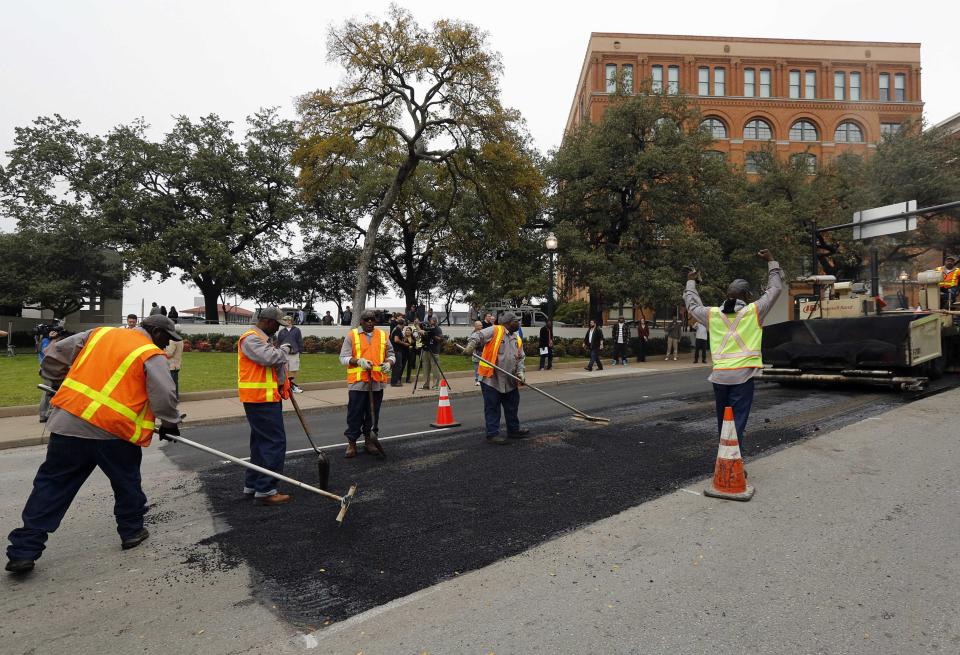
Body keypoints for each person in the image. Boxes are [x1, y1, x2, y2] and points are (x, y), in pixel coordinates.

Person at [6, 315, 181, 574]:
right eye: (166, 338)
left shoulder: (99, 334)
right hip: (114, 433)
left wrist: (57, 380)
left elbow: (54, 355)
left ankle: (24, 551)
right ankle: (131, 532)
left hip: (69, 425)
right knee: (126, 483)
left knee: (51, 486)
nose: (167, 345)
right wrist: (169, 422)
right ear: (155, 331)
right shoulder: (149, 353)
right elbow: (164, 393)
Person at [683, 249, 784, 456]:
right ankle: (731, 461)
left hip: (719, 377)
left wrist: (691, 282)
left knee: (724, 421)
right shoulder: (753, 311)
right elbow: (774, 289)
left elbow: (692, 305)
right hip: (742, 377)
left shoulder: (712, 315)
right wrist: (772, 262)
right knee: (737, 422)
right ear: (746, 296)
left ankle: (724, 457)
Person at [238, 307, 292, 505]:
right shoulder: (251, 338)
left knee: (261, 444)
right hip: (260, 399)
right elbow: (270, 358)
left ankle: (253, 485)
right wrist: (283, 350)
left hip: (266, 397)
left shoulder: (262, 339)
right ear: (269, 322)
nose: (277, 329)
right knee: (274, 443)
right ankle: (266, 490)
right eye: (277, 325)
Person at [339, 309, 395, 458]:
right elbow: (343, 358)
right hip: (358, 383)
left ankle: (369, 440)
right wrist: (358, 361)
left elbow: (391, 354)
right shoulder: (352, 335)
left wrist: (389, 363)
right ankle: (351, 443)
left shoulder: (383, 335)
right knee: (355, 414)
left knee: (373, 414)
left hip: (376, 382)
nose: (370, 322)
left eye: (372, 319)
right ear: (361, 322)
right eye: (367, 320)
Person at [465, 312, 528, 444]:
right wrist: (471, 345)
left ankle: (513, 430)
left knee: (512, 406)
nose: (519, 323)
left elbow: (521, 357)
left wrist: (521, 372)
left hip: (510, 379)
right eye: (517, 321)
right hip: (491, 378)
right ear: (508, 322)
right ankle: (492, 434)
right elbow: (478, 335)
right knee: (492, 407)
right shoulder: (495, 330)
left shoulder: (517, 338)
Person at [38, 328, 64, 423]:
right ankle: (45, 414)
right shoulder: (48, 341)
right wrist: (53, 339)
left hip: (49, 370)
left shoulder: (48, 341)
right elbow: (47, 352)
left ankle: (46, 414)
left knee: (49, 392)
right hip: (49, 371)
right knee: (48, 392)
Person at [277, 315, 305, 394]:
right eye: (284, 320)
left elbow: (299, 340)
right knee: (284, 371)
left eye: (287, 320)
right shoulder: (281, 332)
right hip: (284, 353)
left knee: (293, 369)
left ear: (290, 321)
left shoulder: (297, 330)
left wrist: (300, 351)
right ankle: (286, 387)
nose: (286, 321)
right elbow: (279, 342)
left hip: (294, 352)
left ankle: (293, 386)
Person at [420, 317, 444, 391]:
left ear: (435, 322)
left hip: (434, 351)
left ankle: (435, 385)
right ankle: (426, 385)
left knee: (435, 369)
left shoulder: (437, 329)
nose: (430, 323)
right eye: (430, 321)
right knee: (425, 368)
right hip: (425, 350)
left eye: (432, 321)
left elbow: (441, 339)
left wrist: (433, 336)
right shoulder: (426, 328)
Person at [390, 318, 408, 387]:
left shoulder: (396, 329)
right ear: (402, 324)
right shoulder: (397, 330)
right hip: (396, 350)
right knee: (397, 366)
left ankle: (394, 381)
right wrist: (404, 343)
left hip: (396, 350)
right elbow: (396, 340)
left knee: (397, 366)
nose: (404, 326)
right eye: (404, 325)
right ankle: (394, 382)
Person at [166, 330, 183, 399]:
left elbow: (169, 354)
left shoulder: (172, 341)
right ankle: (176, 397)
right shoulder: (180, 340)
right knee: (175, 383)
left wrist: (161, 351)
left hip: (171, 365)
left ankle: (173, 398)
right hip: (177, 364)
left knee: (171, 383)